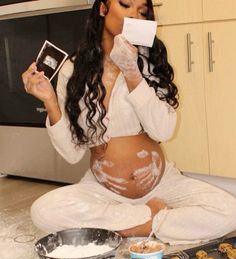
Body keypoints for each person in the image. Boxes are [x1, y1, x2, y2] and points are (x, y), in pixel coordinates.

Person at [22, 0, 236, 245]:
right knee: (43, 211)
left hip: (162, 184)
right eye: (126, 5)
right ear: (103, 9)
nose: (135, 15)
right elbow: (72, 153)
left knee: (230, 210)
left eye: (142, 11)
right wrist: (50, 101)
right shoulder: (72, 69)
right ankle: (149, 218)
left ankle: (124, 228)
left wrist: (132, 71)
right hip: (103, 191)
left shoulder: (147, 61)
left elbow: (163, 130)